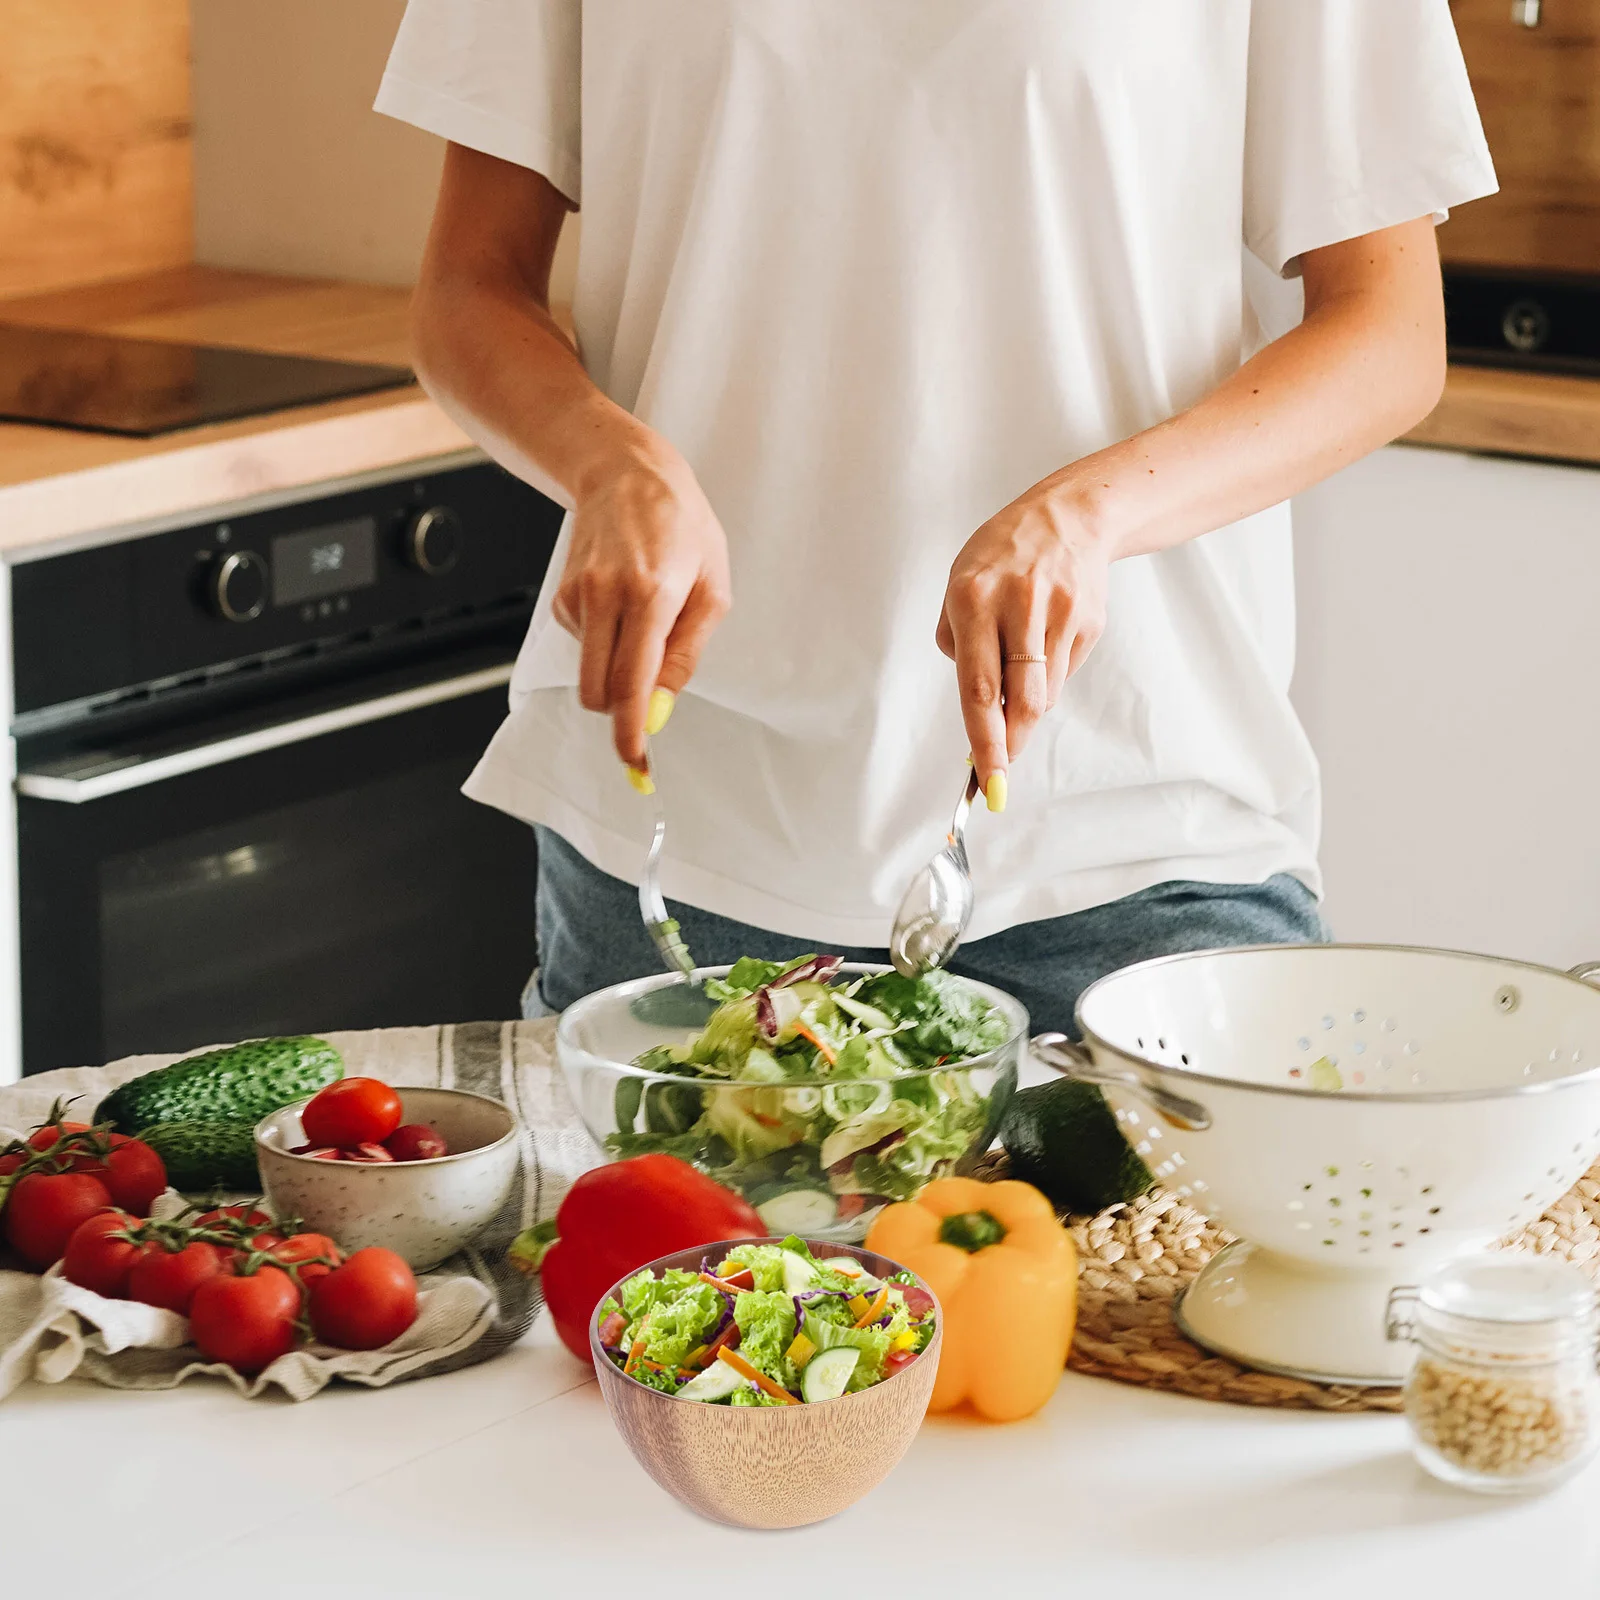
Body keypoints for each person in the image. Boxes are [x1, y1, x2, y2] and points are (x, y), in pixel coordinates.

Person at [377, 3, 1496, 1035]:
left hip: (1129, 831)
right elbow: (469, 288)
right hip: (681, 838)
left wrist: (1090, 512)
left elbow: (1388, 331)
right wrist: (610, 464)